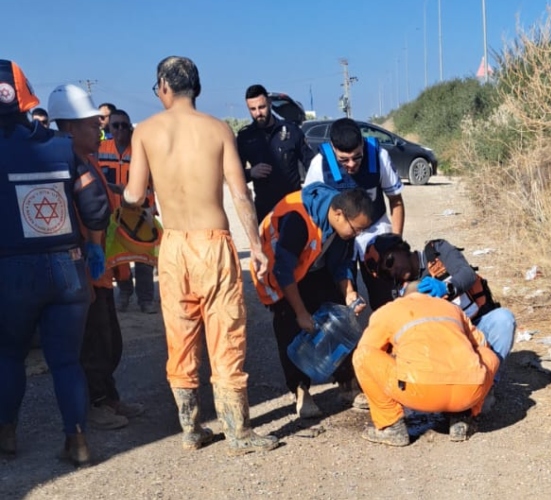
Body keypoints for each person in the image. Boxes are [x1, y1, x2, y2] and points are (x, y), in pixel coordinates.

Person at [123, 55, 277, 454]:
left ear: (163, 87)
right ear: (198, 87)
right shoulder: (218, 129)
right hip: (213, 243)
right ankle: (238, 432)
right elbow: (241, 194)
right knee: (225, 332)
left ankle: (191, 428)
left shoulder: (146, 132)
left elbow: (135, 195)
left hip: (173, 245)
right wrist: (256, 247)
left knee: (181, 334)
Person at [0, 60, 110, 466]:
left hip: (11, 272)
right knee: (65, 360)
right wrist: (94, 248)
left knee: (8, 355)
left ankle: (6, 434)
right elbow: (96, 207)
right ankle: (78, 441)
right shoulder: (61, 147)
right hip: (68, 267)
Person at [49, 85, 145, 431]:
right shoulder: (64, 165)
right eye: (93, 125)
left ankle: (109, 395)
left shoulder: (86, 160)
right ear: (72, 127)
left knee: (109, 341)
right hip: (81, 272)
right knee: (92, 342)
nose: (101, 131)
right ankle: (96, 404)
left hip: (101, 267)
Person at [250, 183, 372, 418]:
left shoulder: (340, 222)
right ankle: (300, 390)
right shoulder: (298, 219)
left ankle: (347, 383)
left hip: (310, 268)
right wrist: (301, 313)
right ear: (339, 214)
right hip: (278, 274)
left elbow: (341, 262)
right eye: (355, 229)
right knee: (290, 326)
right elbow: (284, 271)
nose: (357, 235)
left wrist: (349, 293)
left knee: (337, 316)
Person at [364, 234, 516, 411]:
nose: (392, 271)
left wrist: (447, 287)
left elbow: (467, 274)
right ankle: (450, 395)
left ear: (400, 247)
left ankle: (487, 385)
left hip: (478, 324)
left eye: (389, 262)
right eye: (385, 273)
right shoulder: (403, 292)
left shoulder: (437, 251)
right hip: (448, 345)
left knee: (504, 319)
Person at [353, 280, 499, 446]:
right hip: (468, 392)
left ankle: (390, 426)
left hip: (419, 392)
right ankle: (464, 416)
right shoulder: (451, 308)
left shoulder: (389, 310)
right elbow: (481, 343)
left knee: (362, 356)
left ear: (402, 295)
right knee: (488, 355)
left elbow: (368, 348)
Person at [303, 118, 404, 312]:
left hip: (374, 233)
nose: (351, 164)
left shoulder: (379, 156)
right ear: (333, 148)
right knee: (342, 304)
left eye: (357, 157)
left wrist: (395, 242)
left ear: (362, 145)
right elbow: (310, 209)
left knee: (386, 301)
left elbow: (396, 202)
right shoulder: (320, 164)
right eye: (344, 159)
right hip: (338, 240)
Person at [98, 109, 157, 313]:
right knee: (117, 258)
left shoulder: (141, 151)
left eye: (125, 125)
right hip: (112, 214)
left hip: (141, 213)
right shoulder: (100, 149)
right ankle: (124, 293)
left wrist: (154, 206)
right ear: (109, 128)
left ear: (130, 126)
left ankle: (146, 299)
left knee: (144, 259)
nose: (121, 129)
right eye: (116, 125)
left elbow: (155, 181)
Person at [237, 84, 314, 221]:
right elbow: (234, 174)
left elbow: (311, 164)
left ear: (270, 104)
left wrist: (310, 193)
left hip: (293, 207)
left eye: (261, 107)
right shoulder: (245, 137)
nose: (258, 113)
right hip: (264, 210)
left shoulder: (292, 131)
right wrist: (251, 172)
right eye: (252, 109)